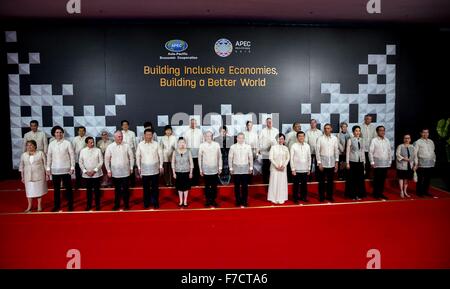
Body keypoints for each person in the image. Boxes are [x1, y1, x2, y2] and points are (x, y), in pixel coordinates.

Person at [46, 126, 75, 211]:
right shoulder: (51, 144)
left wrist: (72, 167)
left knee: (68, 189)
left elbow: (72, 156)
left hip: (66, 169)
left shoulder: (67, 143)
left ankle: (70, 205)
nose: (58, 134)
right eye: (57, 132)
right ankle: (57, 206)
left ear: (62, 133)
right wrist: (48, 168)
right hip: (55, 169)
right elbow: (49, 157)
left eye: (60, 132)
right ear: (54, 134)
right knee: (56, 190)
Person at [105, 130, 134, 210]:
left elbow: (131, 157)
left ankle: (126, 205)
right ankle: (117, 205)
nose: (120, 138)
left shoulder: (127, 146)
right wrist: (108, 170)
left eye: (121, 136)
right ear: (114, 137)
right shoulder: (110, 147)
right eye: (118, 136)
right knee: (117, 190)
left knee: (126, 190)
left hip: (126, 172)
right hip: (115, 173)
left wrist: (131, 168)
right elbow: (106, 160)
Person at [136, 129, 163, 209]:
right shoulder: (140, 144)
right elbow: (138, 157)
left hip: (155, 170)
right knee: (146, 188)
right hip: (144, 170)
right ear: (144, 135)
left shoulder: (156, 144)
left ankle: (156, 202)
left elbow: (160, 155)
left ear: (152, 135)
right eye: (147, 135)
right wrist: (139, 167)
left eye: (150, 135)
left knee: (155, 188)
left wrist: (161, 166)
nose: (148, 136)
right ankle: (146, 203)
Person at [19, 140, 48, 212]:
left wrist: (47, 174)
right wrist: (22, 176)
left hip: (39, 175)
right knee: (29, 192)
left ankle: (39, 206)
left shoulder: (40, 153)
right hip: (28, 176)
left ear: (35, 146)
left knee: (39, 191)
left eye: (31, 145)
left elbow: (45, 164)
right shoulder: (24, 155)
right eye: (28, 145)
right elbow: (21, 166)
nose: (29, 147)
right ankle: (29, 206)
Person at [229, 132, 253, 207]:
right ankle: (238, 201)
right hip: (236, 169)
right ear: (237, 138)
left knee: (245, 186)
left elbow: (251, 157)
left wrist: (251, 167)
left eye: (242, 138)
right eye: (239, 138)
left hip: (245, 168)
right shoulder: (233, 147)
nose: (241, 139)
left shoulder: (248, 147)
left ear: (244, 138)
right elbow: (230, 158)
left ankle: (244, 200)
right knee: (237, 186)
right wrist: (230, 168)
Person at [316, 124, 339, 202]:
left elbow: (336, 150)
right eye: (325, 128)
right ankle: (321, 197)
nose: (326, 130)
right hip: (322, 163)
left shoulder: (335, 139)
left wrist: (336, 162)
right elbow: (317, 151)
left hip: (332, 163)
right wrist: (319, 163)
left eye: (328, 128)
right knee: (321, 181)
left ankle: (329, 196)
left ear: (331, 129)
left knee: (330, 181)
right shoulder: (320, 138)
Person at [79, 136, 103, 211]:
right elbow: (80, 162)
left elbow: (101, 161)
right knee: (88, 191)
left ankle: (97, 205)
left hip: (96, 174)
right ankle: (89, 205)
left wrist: (95, 170)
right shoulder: (82, 151)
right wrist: (85, 171)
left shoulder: (98, 150)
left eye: (93, 142)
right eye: (90, 142)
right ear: (86, 143)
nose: (92, 143)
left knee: (97, 191)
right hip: (86, 175)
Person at [198, 131, 222, 207]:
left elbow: (219, 157)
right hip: (206, 169)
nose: (209, 137)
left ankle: (213, 200)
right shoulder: (202, 145)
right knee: (207, 186)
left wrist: (220, 167)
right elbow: (199, 158)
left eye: (210, 136)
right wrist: (200, 169)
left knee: (214, 186)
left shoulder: (216, 144)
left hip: (215, 169)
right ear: (205, 137)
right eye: (207, 136)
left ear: (212, 137)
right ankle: (208, 200)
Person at [369, 126, 392, 200]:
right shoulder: (374, 140)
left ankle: (381, 193)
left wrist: (390, 161)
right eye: (380, 130)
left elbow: (389, 151)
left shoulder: (387, 140)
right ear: (377, 132)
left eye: (383, 130)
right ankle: (376, 194)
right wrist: (372, 162)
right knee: (377, 180)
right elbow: (370, 152)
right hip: (377, 163)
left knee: (382, 180)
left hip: (385, 163)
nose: (382, 132)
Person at [267, 133, 290, 204]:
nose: (281, 140)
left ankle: (281, 197)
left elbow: (288, 158)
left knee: (282, 183)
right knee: (274, 182)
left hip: (283, 168)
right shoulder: (273, 147)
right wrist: (276, 166)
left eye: (282, 139)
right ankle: (273, 198)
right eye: (280, 139)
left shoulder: (286, 148)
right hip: (274, 168)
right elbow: (271, 157)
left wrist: (284, 165)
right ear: (277, 139)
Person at [346, 125, 366, 200]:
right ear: (353, 132)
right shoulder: (350, 140)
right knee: (352, 180)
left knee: (360, 179)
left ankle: (359, 194)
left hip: (360, 162)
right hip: (352, 162)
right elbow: (348, 152)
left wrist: (364, 163)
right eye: (356, 131)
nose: (358, 132)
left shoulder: (362, 140)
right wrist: (347, 163)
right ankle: (352, 195)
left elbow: (363, 152)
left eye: (359, 131)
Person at [172, 137, 194, 207]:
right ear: (178, 143)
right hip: (178, 172)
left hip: (186, 172)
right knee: (180, 187)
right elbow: (173, 163)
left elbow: (191, 162)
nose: (182, 144)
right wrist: (173, 172)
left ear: (185, 143)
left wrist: (191, 172)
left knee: (186, 187)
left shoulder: (188, 151)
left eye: (183, 142)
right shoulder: (175, 152)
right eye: (180, 142)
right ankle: (181, 201)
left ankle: (185, 201)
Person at [290, 131, 311, 203]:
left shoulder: (307, 146)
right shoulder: (293, 146)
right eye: (299, 136)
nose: (301, 137)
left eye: (302, 136)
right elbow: (291, 158)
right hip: (296, 169)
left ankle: (304, 197)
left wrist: (309, 168)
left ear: (304, 137)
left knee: (304, 185)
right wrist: (293, 169)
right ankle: (295, 198)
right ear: (297, 137)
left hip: (305, 169)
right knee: (296, 185)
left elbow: (309, 157)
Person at [414, 128, 436, 197]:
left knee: (427, 178)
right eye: (424, 132)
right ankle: (419, 192)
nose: (425, 134)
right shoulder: (417, 142)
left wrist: (434, 160)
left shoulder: (431, 141)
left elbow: (433, 151)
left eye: (427, 132)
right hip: (421, 163)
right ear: (421, 133)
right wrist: (416, 163)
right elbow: (415, 153)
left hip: (430, 163)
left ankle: (425, 191)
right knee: (420, 178)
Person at [183, 118, 203, 186]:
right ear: (189, 124)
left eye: (194, 123)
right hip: (189, 153)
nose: (193, 124)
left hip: (198, 153)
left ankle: (196, 181)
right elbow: (184, 142)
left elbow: (202, 141)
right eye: (191, 123)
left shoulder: (200, 131)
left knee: (197, 167)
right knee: (190, 167)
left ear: (196, 124)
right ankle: (190, 181)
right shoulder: (186, 132)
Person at [259, 117, 279, 184]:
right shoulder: (263, 131)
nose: (270, 123)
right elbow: (260, 141)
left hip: (274, 152)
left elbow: (278, 140)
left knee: (273, 166)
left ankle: (273, 181)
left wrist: (273, 147)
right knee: (265, 167)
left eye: (271, 121)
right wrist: (264, 148)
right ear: (266, 123)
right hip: (265, 152)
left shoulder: (276, 130)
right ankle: (265, 181)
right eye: (268, 122)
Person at [396, 134, 417, 198]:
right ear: (403, 139)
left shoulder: (412, 147)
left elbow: (415, 156)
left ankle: (405, 191)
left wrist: (416, 164)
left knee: (406, 179)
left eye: (408, 138)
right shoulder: (400, 146)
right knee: (401, 178)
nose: (407, 139)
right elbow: (397, 154)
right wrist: (404, 158)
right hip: (401, 165)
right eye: (405, 138)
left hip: (409, 165)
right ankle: (401, 191)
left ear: (410, 139)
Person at [121, 120, 137, 187]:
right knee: (124, 168)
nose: (125, 126)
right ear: (121, 126)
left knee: (132, 168)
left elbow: (135, 143)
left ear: (128, 125)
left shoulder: (132, 133)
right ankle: (125, 183)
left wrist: (136, 153)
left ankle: (132, 183)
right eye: (124, 125)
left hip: (131, 152)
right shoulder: (120, 133)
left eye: (126, 124)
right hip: (122, 153)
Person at [361, 115, 377, 179]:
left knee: (370, 162)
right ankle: (363, 175)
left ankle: (369, 175)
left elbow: (375, 137)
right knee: (363, 162)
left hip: (371, 148)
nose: (368, 120)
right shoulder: (361, 126)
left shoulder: (373, 127)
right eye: (367, 119)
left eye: (370, 119)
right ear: (364, 119)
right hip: (363, 148)